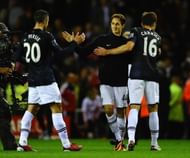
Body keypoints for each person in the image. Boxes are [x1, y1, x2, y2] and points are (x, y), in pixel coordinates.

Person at [16, 9, 85, 152]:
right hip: (46, 78)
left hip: (33, 78)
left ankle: (22, 143)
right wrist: (74, 43)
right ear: (45, 21)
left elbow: (18, 57)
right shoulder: (47, 36)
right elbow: (61, 54)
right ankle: (66, 145)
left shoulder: (26, 36)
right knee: (56, 108)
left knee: (32, 108)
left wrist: (33, 63)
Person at [95, 11, 162, 151]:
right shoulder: (158, 37)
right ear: (154, 24)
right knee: (153, 108)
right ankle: (154, 144)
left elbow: (129, 47)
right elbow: (158, 54)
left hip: (136, 74)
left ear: (142, 23)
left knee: (134, 107)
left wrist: (108, 52)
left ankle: (131, 138)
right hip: (152, 75)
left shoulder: (136, 31)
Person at [65, 13, 130, 151]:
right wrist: (74, 43)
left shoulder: (127, 43)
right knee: (107, 109)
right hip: (105, 82)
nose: (115, 26)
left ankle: (121, 141)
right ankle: (119, 139)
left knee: (120, 111)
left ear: (123, 26)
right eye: (113, 24)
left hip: (122, 83)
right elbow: (83, 52)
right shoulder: (102, 39)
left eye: (118, 24)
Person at [0, 22, 17, 150]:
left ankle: (9, 145)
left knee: (4, 112)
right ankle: (9, 145)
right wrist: (2, 70)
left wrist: (11, 65)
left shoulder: (6, 45)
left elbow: (11, 57)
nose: (5, 35)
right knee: (4, 111)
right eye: (3, 32)